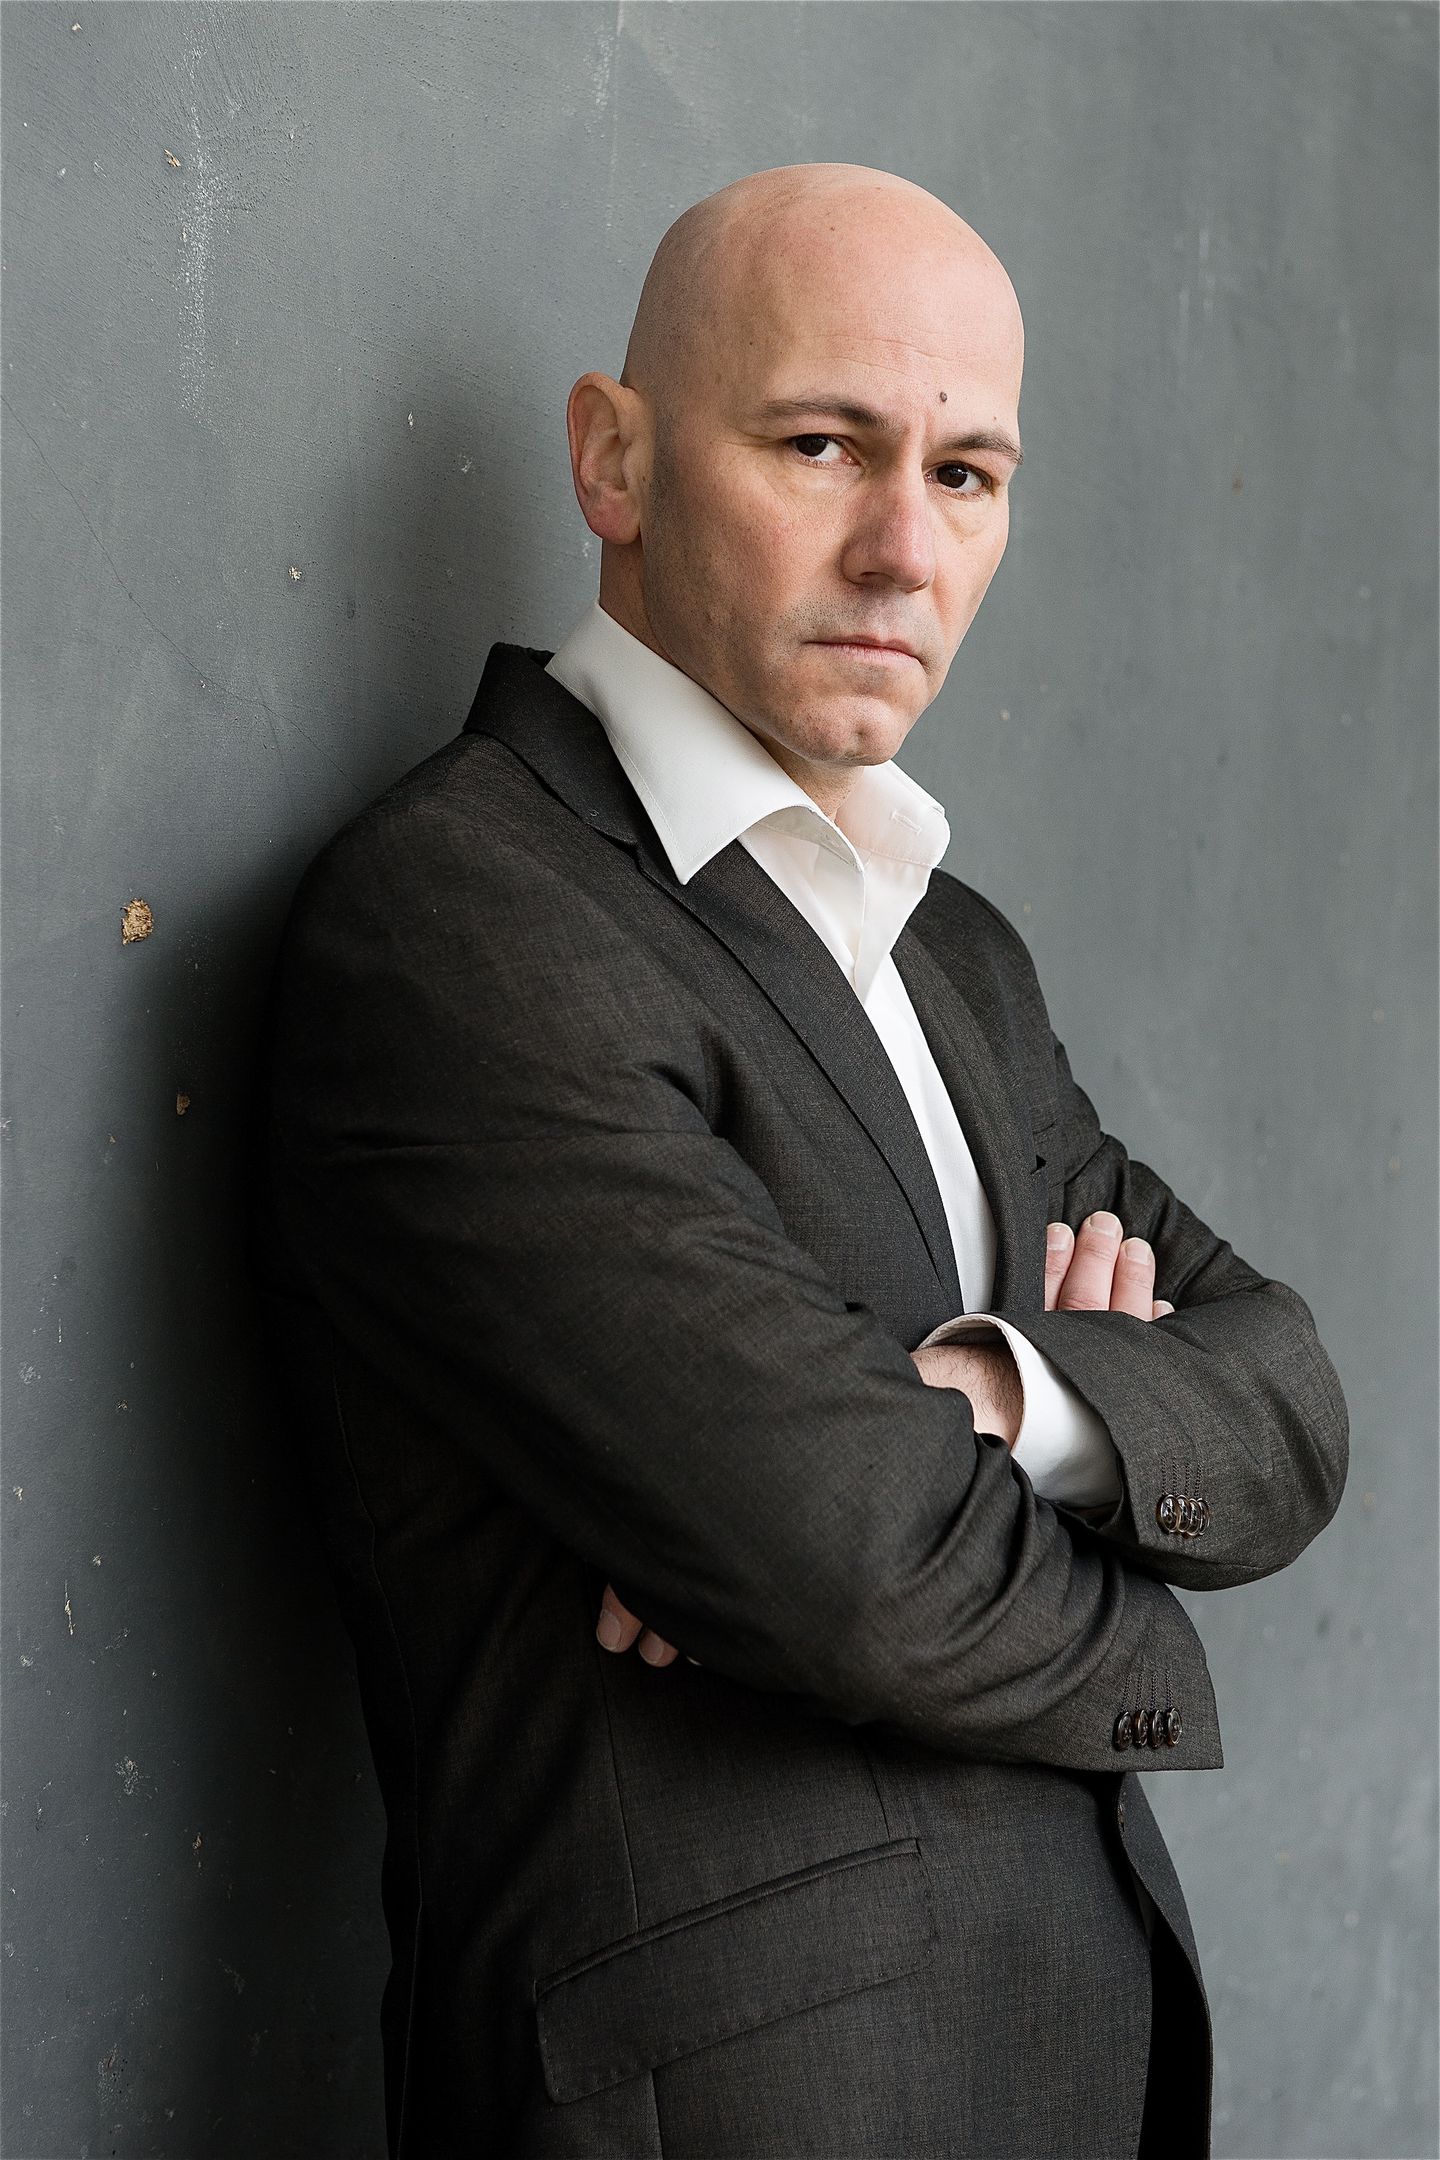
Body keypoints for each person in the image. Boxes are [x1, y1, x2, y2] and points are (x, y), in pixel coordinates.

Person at [252, 163, 1348, 2159]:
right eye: (822, 445)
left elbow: (1283, 1393)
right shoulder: (465, 919)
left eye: (967, 474)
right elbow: (851, 1569)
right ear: (615, 460)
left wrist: (998, 1400)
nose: (903, 549)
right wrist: (1120, 1529)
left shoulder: (954, 955)